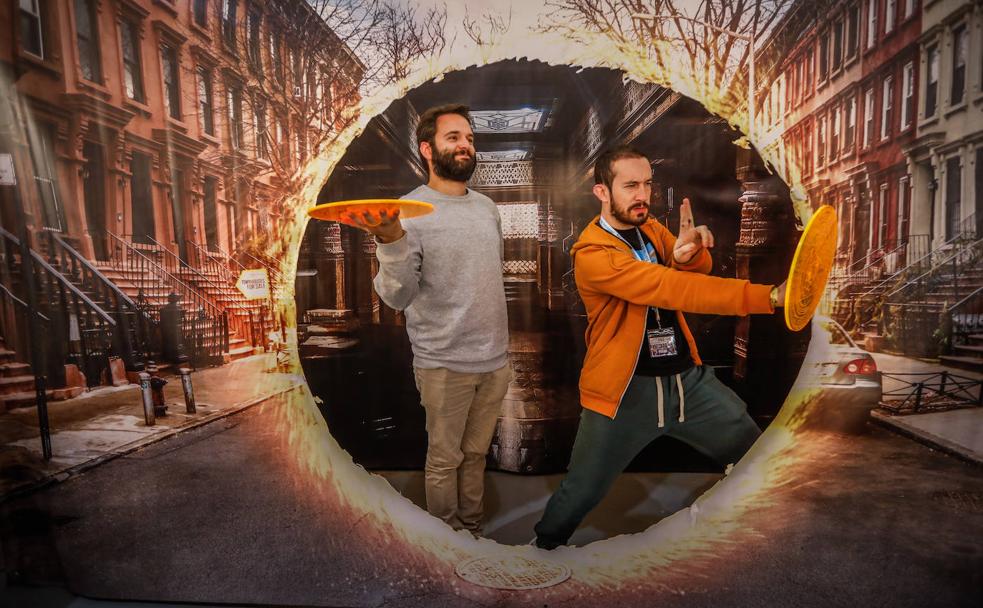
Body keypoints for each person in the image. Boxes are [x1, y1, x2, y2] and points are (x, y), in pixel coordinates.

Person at [532, 144, 787, 549]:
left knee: (752, 452)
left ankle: (764, 536)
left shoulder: (650, 228)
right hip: (625, 393)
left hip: (688, 383)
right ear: (602, 192)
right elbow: (672, 288)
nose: (642, 195)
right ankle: (540, 553)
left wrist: (688, 254)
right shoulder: (593, 255)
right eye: (630, 185)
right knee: (581, 491)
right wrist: (768, 297)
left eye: (647, 184)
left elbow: (688, 268)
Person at [341, 104, 510, 536]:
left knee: (475, 455)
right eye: (454, 137)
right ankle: (447, 539)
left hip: (494, 362)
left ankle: (471, 530)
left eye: (470, 138)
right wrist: (391, 241)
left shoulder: (488, 208)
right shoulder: (408, 211)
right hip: (443, 363)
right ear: (428, 148)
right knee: (444, 458)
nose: (466, 146)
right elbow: (396, 296)